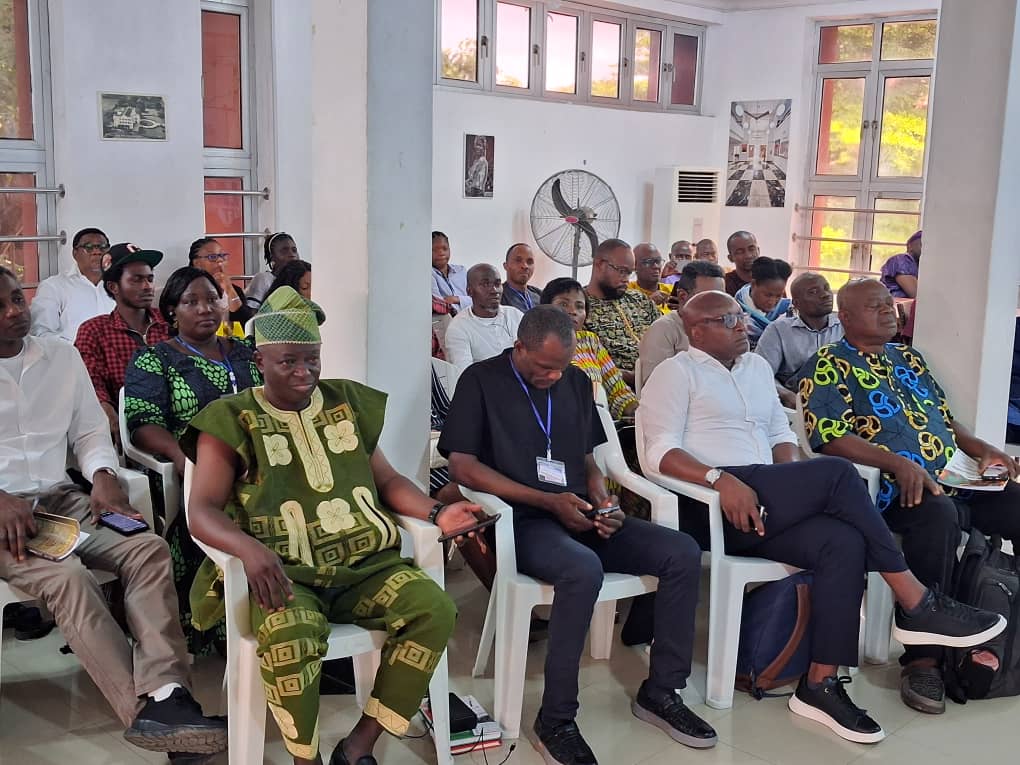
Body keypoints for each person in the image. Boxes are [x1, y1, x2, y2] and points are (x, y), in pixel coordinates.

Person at [638, 289, 1006, 744]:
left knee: (842, 542)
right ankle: (916, 602)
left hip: (767, 497)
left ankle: (820, 684)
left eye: (739, 316)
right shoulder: (676, 373)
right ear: (696, 331)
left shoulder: (755, 368)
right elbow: (658, 453)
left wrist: (793, 481)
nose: (743, 325)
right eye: (728, 320)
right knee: (836, 472)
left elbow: (779, 432)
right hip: (714, 504)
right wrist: (719, 478)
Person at [185, 286, 473, 765]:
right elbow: (202, 511)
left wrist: (436, 513)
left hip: (366, 565)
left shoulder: (345, 402)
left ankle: (360, 744)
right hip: (284, 573)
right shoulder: (231, 419)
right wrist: (250, 550)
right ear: (260, 361)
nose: (305, 372)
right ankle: (306, 759)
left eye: (312, 360)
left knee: (434, 609)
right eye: (289, 361)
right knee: (291, 636)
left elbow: (387, 480)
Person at [440, 306, 719, 763]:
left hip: (580, 511)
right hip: (523, 520)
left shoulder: (574, 381)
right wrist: (547, 501)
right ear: (519, 347)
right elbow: (463, 468)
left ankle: (662, 691)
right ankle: (555, 720)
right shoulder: (481, 381)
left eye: (561, 367)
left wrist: (603, 500)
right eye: (543, 367)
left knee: (681, 552)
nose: (553, 376)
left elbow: (587, 459)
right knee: (582, 569)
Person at [0, 266, 227, 761]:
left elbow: (88, 431)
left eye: (18, 298)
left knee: (147, 549)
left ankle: (167, 693)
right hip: (4, 520)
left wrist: (103, 474)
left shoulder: (59, 356)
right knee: (69, 579)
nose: (16, 311)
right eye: (2, 306)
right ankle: (148, 717)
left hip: (61, 500)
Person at [800, 278, 1020, 715]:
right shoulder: (827, 363)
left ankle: (1007, 636)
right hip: (888, 491)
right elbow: (828, 436)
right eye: (875, 306)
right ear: (846, 317)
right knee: (936, 515)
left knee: (1015, 502)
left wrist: (982, 448)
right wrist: (897, 464)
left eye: (890, 304)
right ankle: (923, 660)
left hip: (955, 477)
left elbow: (944, 420)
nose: (889, 311)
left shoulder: (909, 357)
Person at [124, 266, 262, 655]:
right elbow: (142, 424)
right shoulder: (155, 359)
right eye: (191, 301)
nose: (205, 308)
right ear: (172, 311)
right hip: (199, 464)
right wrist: (180, 456)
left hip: (259, 458)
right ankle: (224, 613)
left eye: (213, 299)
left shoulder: (246, 353)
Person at [74, 243, 170, 447]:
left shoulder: (169, 324)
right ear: (113, 287)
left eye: (150, 278)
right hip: (130, 429)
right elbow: (91, 384)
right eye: (136, 280)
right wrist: (108, 414)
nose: (147, 286)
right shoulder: (94, 331)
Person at [541, 277, 638, 421]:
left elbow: (617, 389)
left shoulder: (590, 341)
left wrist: (637, 411)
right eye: (563, 304)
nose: (573, 311)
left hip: (599, 418)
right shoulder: (538, 342)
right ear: (546, 309)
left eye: (580, 306)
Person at [755, 271, 843, 408]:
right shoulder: (779, 330)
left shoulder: (846, 327)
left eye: (827, 288)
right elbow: (760, 373)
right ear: (796, 303)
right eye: (813, 292)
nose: (825, 294)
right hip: (797, 403)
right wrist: (785, 394)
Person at [584, 238, 660, 388]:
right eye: (621, 271)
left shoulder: (639, 299)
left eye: (629, 273)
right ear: (600, 264)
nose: (626, 280)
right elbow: (585, 363)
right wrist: (636, 377)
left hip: (663, 379)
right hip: (618, 388)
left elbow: (667, 333)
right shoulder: (581, 307)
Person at [638, 260, 725, 388]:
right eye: (709, 298)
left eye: (722, 297)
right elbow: (657, 387)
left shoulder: (726, 326)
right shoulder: (663, 330)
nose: (718, 304)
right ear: (683, 296)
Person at [30, 227, 115, 341]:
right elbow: (41, 333)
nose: (97, 252)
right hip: (73, 351)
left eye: (103, 247)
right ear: (75, 253)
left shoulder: (118, 285)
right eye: (89, 247)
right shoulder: (54, 286)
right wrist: (76, 347)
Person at [443, 263, 524, 377]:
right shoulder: (458, 328)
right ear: (469, 291)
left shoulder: (515, 315)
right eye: (485, 284)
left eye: (497, 284)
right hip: (486, 386)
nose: (494, 290)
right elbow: (465, 376)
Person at [188, 236, 254, 329]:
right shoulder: (187, 290)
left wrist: (230, 290)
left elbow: (247, 325)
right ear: (197, 263)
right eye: (212, 257)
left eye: (222, 256)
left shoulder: (235, 290)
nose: (220, 260)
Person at [734, 256, 792, 350]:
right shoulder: (735, 310)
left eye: (778, 296)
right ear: (753, 284)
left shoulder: (789, 311)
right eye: (768, 295)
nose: (772, 301)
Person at [245, 232, 300, 310]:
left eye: (294, 250)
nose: (292, 254)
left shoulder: (302, 278)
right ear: (272, 256)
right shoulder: (264, 279)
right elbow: (252, 312)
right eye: (284, 251)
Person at [431, 230, 472, 315]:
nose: (441, 253)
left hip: (471, 317)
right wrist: (466, 301)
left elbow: (478, 298)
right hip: (450, 320)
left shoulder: (461, 270)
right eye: (434, 250)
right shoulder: (429, 274)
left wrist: (456, 299)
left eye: (445, 249)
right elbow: (441, 305)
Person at [628, 243, 671, 314]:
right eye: (648, 262)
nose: (656, 266)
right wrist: (649, 303)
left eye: (658, 261)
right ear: (634, 266)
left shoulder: (672, 291)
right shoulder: (626, 291)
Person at [501, 242, 542, 312]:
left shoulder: (540, 295)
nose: (525, 266)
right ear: (505, 266)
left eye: (529, 262)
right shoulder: (498, 296)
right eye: (518, 260)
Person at [880, 230, 922, 298]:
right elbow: (917, 295)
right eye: (922, 244)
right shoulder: (902, 259)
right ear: (910, 246)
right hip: (891, 303)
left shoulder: (921, 265)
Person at [723, 231, 758, 296]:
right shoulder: (724, 284)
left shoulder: (770, 279)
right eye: (740, 252)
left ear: (758, 250)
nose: (748, 256)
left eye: (751, 249)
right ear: (730, 258)